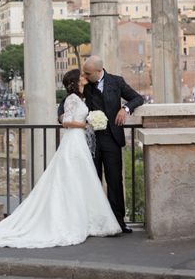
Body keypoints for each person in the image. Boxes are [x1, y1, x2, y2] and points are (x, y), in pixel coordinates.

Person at [0, 69, 121, 248]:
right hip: (73, 140)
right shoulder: (72, 99)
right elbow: (65, 121)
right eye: (82, 76)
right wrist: (86, 123)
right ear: (76, 81)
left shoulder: (80, 98)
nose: (85, 78)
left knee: (80, 179)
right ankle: (73, 220)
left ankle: (84, 219)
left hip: (78, 141)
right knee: (71, 178)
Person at [58, 55, 144, 233]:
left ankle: (119, 222)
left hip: (112, 139)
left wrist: (125, 108)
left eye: (88, 73)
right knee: (92, 181)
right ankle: (92, 222)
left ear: (99, 71)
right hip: (89, 142)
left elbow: (137, 98)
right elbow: (63, 108)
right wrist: (66, 119)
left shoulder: (117, 82)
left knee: (115, 181)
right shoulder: (84, 85)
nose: (85, 75)